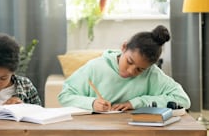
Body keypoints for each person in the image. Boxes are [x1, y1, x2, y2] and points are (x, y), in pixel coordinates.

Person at [58, 25, 191, 112]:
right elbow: (65, 96)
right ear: (124, 47)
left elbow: (183, 100)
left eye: (140, 70)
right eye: (129, 61)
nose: (131, 71)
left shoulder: (152, 74)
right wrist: (92, 103)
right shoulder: (95, 67)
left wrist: (137, 102)